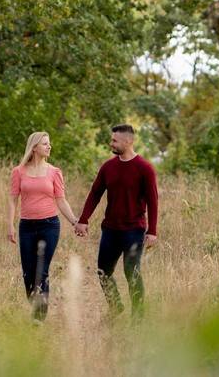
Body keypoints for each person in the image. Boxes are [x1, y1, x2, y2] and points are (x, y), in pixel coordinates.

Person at [75, 124, 158, 318]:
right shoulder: (108, 167)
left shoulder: (145, 168)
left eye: (114, 140)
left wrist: (152, 231)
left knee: (132, 271)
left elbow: (153, 201)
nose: (111, 143)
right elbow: (95, 193)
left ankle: (138, 317)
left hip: (134, 229)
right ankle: (116, 306)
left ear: (127, 142)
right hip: (110, 229)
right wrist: (84, 219)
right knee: (103, 271)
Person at [7, 131, 80, 323]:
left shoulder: (55, 172)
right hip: (26, 228)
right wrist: (10, 225)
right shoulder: (18, 171)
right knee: (28, 272)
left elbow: (61, 201)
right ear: (34, 147)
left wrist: (75, 221)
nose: (49, 146)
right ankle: (35, 303)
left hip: (49, 226)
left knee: (42, 270)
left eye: (49, 143)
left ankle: (39, 316)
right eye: (45, 144)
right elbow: (13, 200)